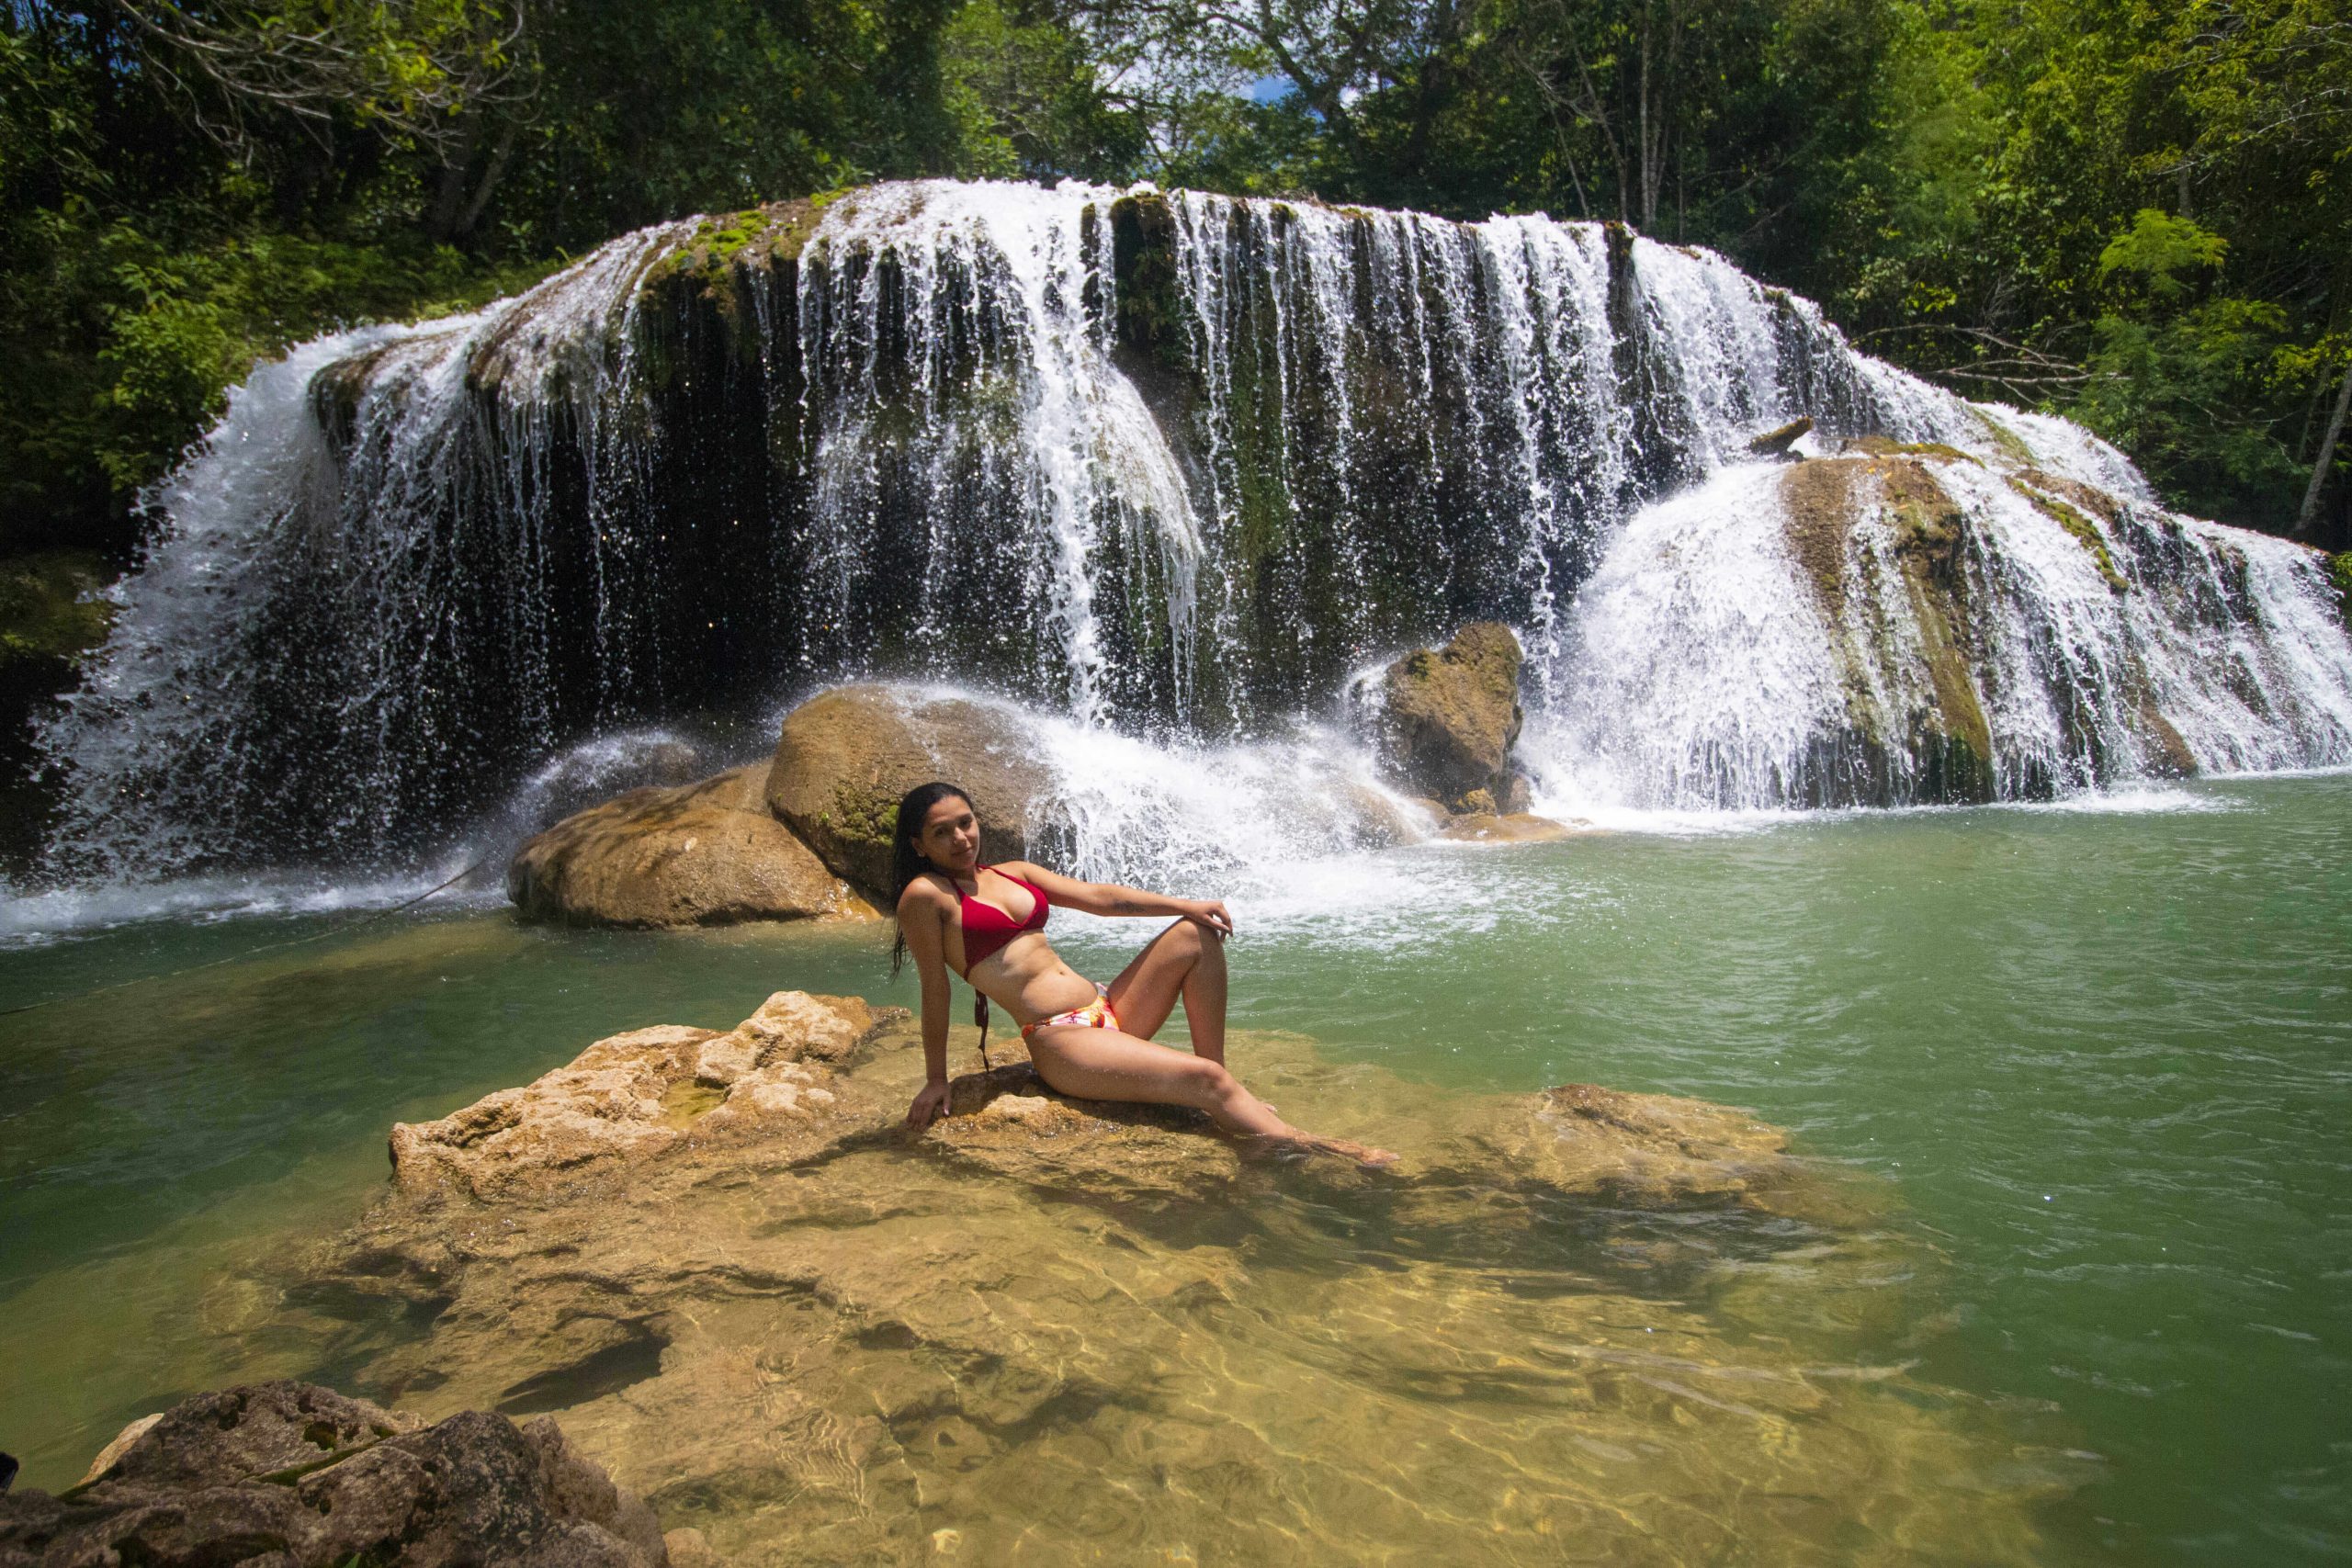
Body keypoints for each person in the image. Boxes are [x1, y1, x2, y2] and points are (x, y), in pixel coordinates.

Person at [889, 781, 1396, 1166]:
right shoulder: (925, 897)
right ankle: (1321, 1149)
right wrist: (936, 1080)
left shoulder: (1011, 872)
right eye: (942, 833)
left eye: (966, 823)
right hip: (1061, 1042)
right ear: (918, 845)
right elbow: (935, 989)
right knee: (1205, 1081)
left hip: (1107, 1007)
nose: (961, 839)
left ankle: (1220, 1090)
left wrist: (1185, 905)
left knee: (1195, 934)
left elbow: (1100, 898)